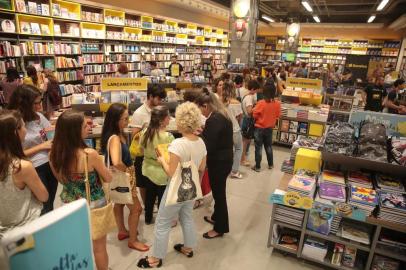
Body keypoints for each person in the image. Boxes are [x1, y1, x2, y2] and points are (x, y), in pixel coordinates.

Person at [137, 102, 207, 268]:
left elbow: (170, 172)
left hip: (175, 189)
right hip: (191, 189)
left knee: (162, 222)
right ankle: (188, 247)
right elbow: (202, 168)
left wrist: (161, 160)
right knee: (187, 218)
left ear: (181, 121)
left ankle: (155, 258)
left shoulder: (177, 144)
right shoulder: (201, 142)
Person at [49, 110, 112, 270]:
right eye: (85, 126)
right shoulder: (89, 154)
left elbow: (61, 179)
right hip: (93, 203)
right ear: (74, 131)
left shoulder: (54, 154)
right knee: (99, 246)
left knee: (76, 244)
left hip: (68, 203)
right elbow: (108, 178)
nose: (88, 128)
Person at [101, 103, 149, 251]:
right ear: (115, 120)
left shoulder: (113, 135)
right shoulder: (115, 138)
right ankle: (133, 241)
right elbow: (116, 162)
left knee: (119, 202)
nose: (127, 122)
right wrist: (128, 172)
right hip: (124, 175)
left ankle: (122, 231)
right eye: (125, 119)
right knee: (137, 209)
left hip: (116, 177)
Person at [8, 84, 57, 215]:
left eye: (40, 101)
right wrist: (40, 146)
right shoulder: (14, 123)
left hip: (50, 164)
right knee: (41, 207)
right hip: (33, 168)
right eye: (35, 103)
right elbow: (11, 154)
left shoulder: (38, 117)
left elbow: (49, 133)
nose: (40, 106)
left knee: (49, 204)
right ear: (24, 104)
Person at [0, 110, 48, 238]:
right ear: (16, 132)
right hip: (27, 228)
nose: (26, 130)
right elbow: (44, 196)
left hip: (3, 231)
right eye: (24, 126)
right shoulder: (21, 167)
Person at [196, 88, 233, 239]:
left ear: (205, 106)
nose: (200, 112)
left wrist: (198, 136)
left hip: (219, 162)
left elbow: (208, 145)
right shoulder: (221, 115)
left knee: (219, 195)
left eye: (200, 109)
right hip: (224, 160)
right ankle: (217, 218)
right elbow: (216, 137)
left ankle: (220, 228)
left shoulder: (214, 119)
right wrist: (204, 131)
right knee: (219, 192)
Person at [130, 85, 167, 206]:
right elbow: (135, 135)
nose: (160, 101)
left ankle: (154, 203)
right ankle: (147, 206)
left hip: (158, 152)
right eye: (159, 98)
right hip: (144, 153)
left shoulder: (159, 110)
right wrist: (149, 130)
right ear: (150, 96)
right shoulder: (139, 113)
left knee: (156, 180)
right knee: (143, 182)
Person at [140, 106, 174, 224]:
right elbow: (171, 156)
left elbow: (141, 150)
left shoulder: (145, 132)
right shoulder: (168, 137)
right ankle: (162, 220)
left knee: (149, 197)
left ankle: (148, 218)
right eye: (168, 117)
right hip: (163, 171)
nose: (170, 119)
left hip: (148, 169)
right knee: (162, 198)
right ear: (161, 120)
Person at [252, 83, 281, 172]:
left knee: (258, 147)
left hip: (259, 128)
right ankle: (270, 164)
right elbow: (277, 115)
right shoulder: (277, 104)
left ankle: (257, 166)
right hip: (269, 128)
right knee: (268, 146)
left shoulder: (261, 103)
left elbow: (254, 115)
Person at [222, 82, 243, 179]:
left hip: (225, 131)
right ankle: (234, 171)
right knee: (238, 149)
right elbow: (239, 117)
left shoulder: (220, 102)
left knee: (228, 150)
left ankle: (226, 168)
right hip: (235, 129)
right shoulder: (236, 103)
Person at [240, 80, 260, 167]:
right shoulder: (249, 98)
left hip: (246, 120)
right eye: (255, 90)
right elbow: (249, 111)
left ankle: (243, 158)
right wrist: (257, 108)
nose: (256, 92)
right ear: (252, 89)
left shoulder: (247, 96)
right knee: (245, 142)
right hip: (247, 121)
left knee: (246, 141)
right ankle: (242, 159)